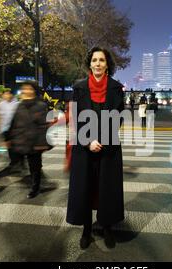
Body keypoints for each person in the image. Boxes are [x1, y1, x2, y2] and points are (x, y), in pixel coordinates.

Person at [66, 46, 125, 249]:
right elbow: (77, 118)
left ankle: (107, 227)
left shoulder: (117, 88)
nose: (97, 64)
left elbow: (118, 119)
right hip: (85, 148)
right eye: (94, 60)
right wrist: (89, 141)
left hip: (109, 148)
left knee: (107, 189)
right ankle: (86, 230)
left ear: (107, 64)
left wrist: (103, 141)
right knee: (85, 189)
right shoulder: (79, 87)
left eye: (101, 60)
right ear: (89, 64)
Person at [4, 81, 51, 199]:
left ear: (34, 90)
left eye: (29, 89)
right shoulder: (19, 105)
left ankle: (35, 187)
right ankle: (32, 181)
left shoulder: (41, 105)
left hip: (35, 143)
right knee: (19, 163)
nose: (27, 91)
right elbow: (13, 122)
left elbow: (43, 126)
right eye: (24, 89)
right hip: (21, 139)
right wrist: (8, 138)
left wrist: (41, 143)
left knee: (35, 166)